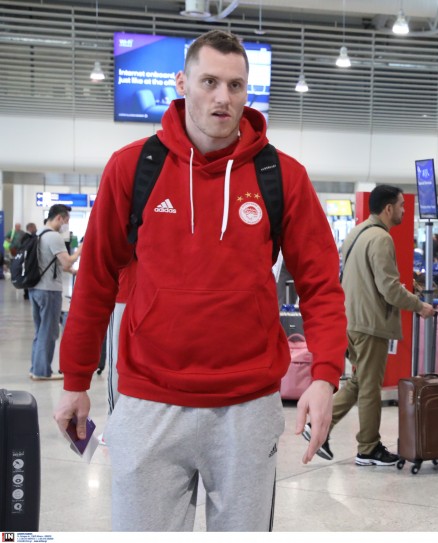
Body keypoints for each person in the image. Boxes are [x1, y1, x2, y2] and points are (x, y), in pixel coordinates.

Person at [53, 30, 347, 532]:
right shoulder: (133, 168)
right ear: (182, 83)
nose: (222, 97)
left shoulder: (282, 176)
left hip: (247, 404)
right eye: (209, 81)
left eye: (235, 85)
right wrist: (75, 381)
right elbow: (96, 280)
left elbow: (320, 284)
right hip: (149, 399)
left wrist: (324, 376)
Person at [304, 185, 436, 465]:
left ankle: (318, 425)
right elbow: (388, 289)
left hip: (351, 319)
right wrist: (419, 305)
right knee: (370, 388)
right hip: (370, 323)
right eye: (401, 205)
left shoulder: (357, 232)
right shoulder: (381, 238)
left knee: (359, 380)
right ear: (388, 208)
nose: (404, 210)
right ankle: (369, 448)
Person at [30, 205, 79, 380]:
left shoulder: (39, 234)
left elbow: (51, 263)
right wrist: (81, 250)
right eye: (66, 221)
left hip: (35, 288)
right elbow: (66, 262)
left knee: (40, 330)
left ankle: (35, 369)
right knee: (49, 332)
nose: (66, 225)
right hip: (49, 290)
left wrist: (72, 271)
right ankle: (42, 372)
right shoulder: (54, 236)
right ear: (59, 218)